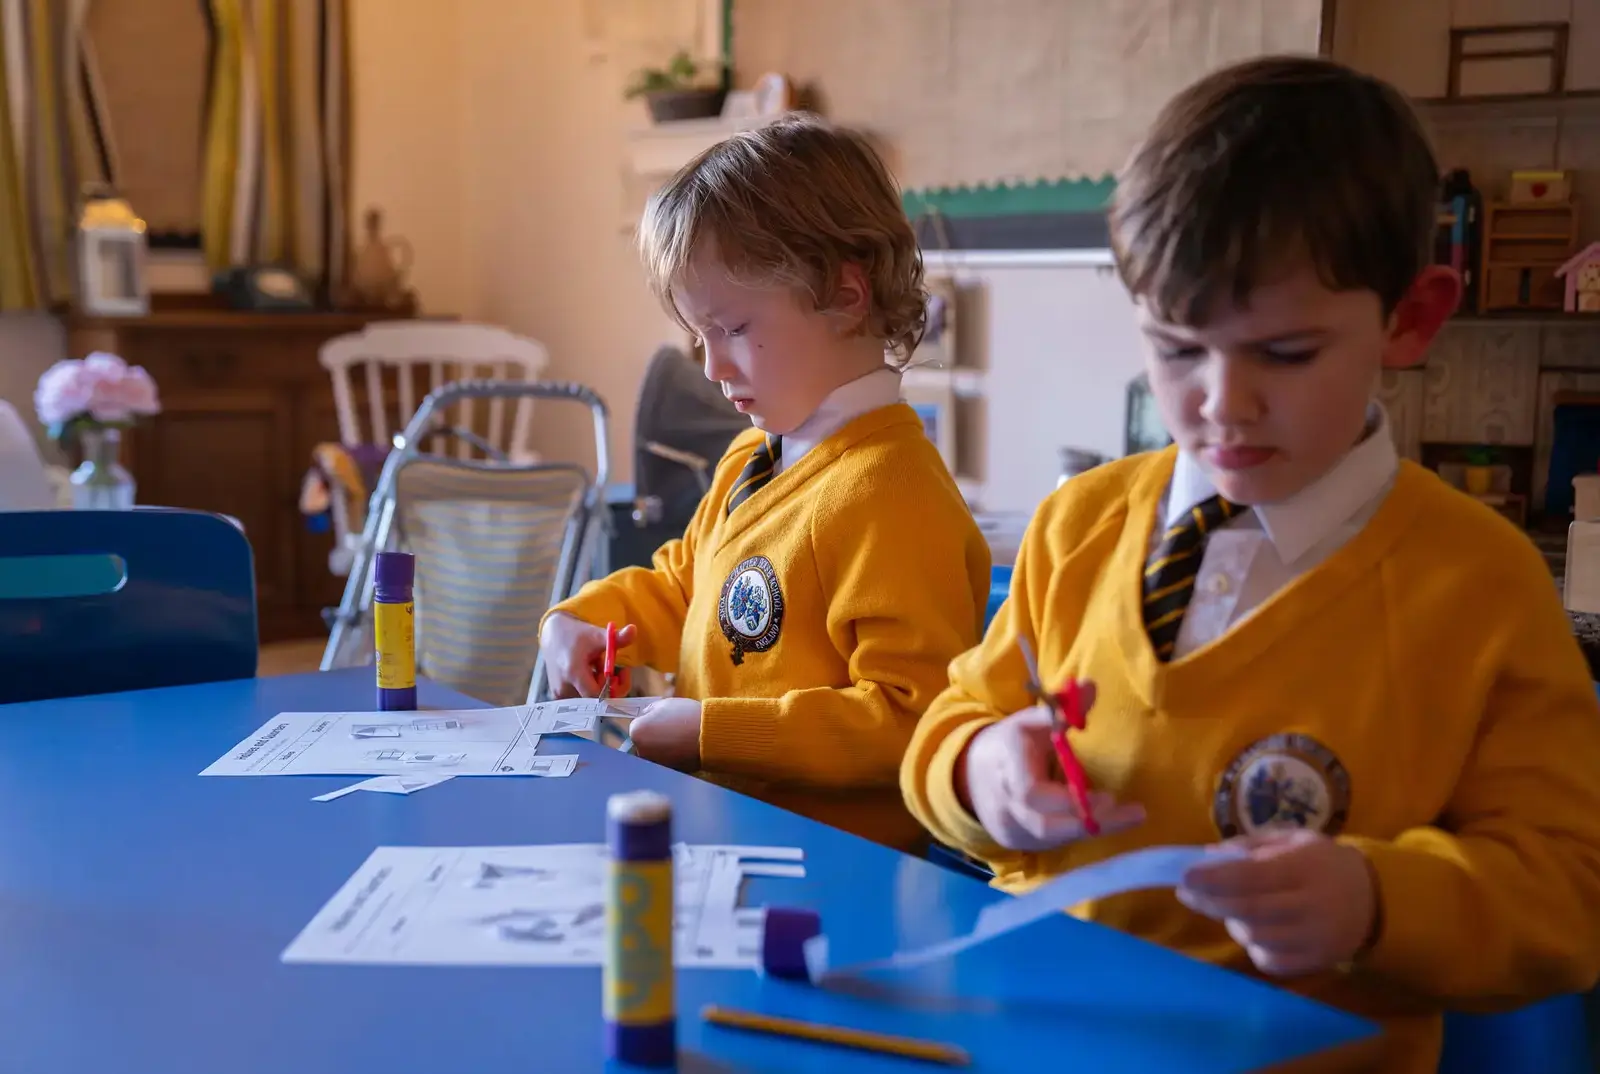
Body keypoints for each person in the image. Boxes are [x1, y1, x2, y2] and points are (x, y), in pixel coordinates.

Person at [900, 55, 1600, 1072]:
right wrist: (980, 773)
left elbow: (1565, 896)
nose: (1221, 405)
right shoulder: (1078, 526)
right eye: (1177, 349)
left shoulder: (1481, 585)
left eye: (1284, 353)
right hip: (1024, 1035)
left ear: (1409, 319)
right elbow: (949, 729)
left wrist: (1373, 901)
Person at [542, 114, 991, 854]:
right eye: (699, 336)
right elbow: (684, 586)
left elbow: (912, 719)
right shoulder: (753, 457)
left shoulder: (892, 493)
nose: (712, 367)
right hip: (728, 840)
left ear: (845, 295)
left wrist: (713, 731)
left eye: (733, 327)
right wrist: (582, 621)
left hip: (835, 873)